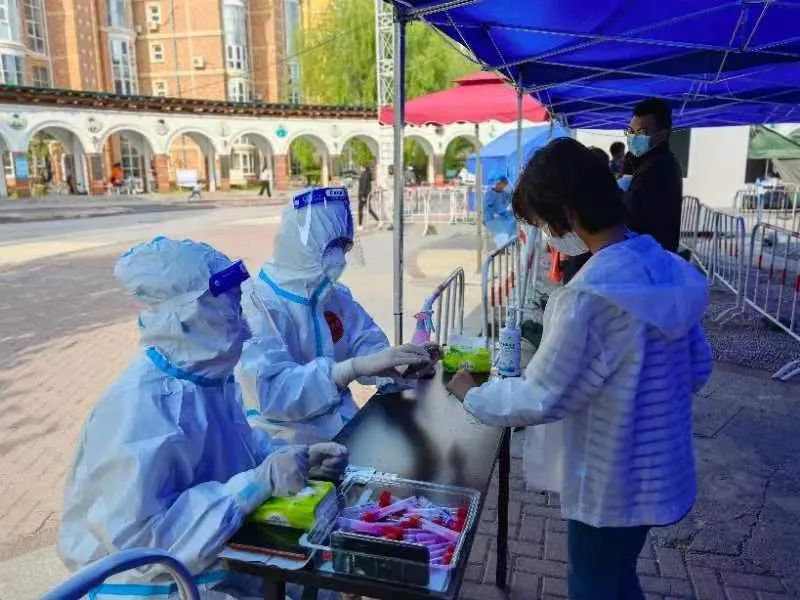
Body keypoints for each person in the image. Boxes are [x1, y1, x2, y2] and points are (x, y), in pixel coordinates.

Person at [453, 138, 712, 600]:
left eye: (543, 222)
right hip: (658, 469)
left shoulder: (590, 298)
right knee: (619, 577)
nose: (547, 235)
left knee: (592, 585)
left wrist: (472, 394)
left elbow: (542, 395)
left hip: (609, 478)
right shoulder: (666, 268)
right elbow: (698, 368)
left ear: (567, 213)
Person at [58, 236, 348, 599]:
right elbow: (142, 543)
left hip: (210, 553)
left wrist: (291, 457)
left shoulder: (205, 382)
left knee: (325, 584)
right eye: (230, 314)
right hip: (153, 585)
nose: (244, 327)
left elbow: (236, 446)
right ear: (186, 318)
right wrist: (256, 484)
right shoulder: (138, 408)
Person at [237, 187, 433, 443]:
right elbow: (273, 393)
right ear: (299, 245)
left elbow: (364, 340)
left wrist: (397, 365)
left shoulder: (332, 295)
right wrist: (348, 369)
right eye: (331, 246)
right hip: (286, 443)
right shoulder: (256, 305)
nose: (340, 257)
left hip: (343, 428)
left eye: (343, 246)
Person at [625, 98, 684, 252]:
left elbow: (630, 214)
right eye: (630, 131)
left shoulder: (658, 168)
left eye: (640, 132)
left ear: (661, 135)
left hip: (649, 254)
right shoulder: (646, 163)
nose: (632, 137)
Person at [483, 174, 516, 248]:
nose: (505, 187)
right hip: (491, 218)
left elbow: (512, 198)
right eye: (504, 185)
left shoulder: (503, 193)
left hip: (502, 216)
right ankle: (503, 245)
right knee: (503, 229)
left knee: (514, 220)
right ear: (499, 183)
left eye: (506, 185)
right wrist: (494, 215)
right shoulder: (490, 194)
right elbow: (487, 209)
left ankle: (511, 241)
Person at [357, 164, 379, 230]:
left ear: (364, 168)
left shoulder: (364, 175)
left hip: (363, 195)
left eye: (361, 167)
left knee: (360, 210)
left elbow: (364, 186)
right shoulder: (368, 174)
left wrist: (363, 196)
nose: (360, 168)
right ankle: (378, 219)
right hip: (367, 194)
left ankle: (360, 225)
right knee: (369, 209)